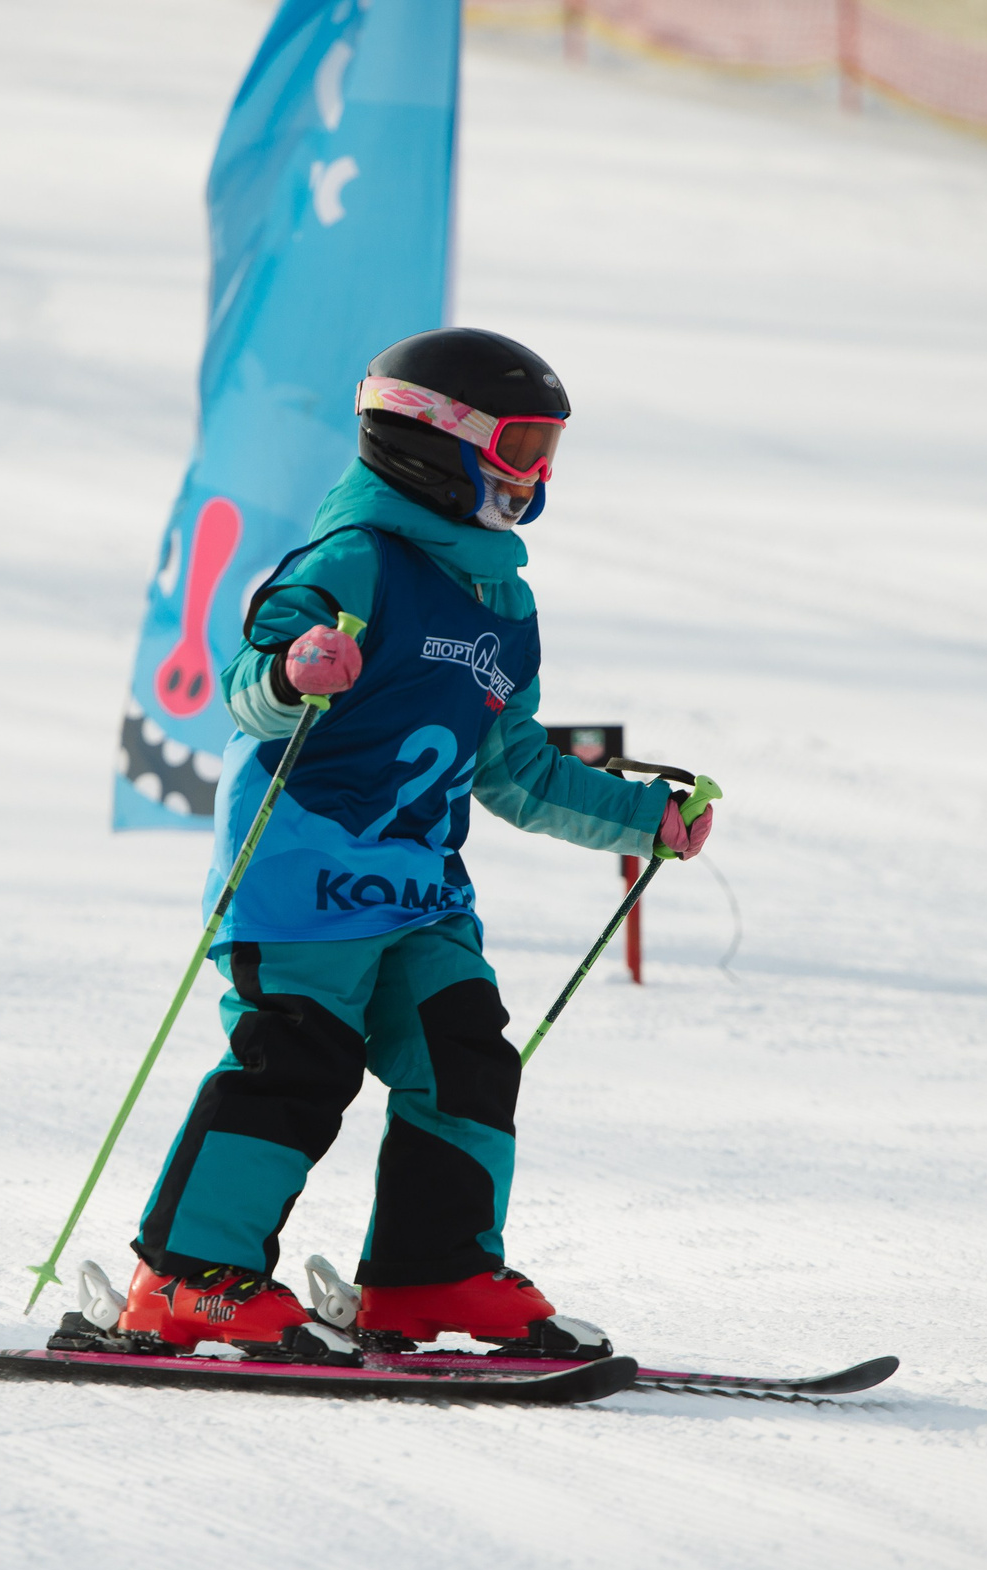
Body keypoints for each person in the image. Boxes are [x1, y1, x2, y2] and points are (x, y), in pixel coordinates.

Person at [120, 328, 716, 1360]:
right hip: (299, 882)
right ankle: (185, 1278)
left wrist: (643, 819)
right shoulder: (352, 558)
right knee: (297, 1065)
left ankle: (429, 1269)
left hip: (420, 890)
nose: (534, 476)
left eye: (547, 450)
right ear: (433, 441)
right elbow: (249, 683)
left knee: (465, 1056)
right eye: (520, 445)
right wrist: (298, 667)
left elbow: (513, 768)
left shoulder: (503, 600)